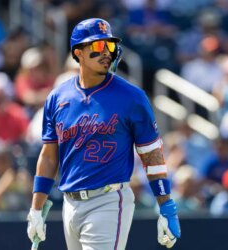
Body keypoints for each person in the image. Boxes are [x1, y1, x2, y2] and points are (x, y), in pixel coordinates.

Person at [26, 18, 180, 250]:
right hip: (70, 203)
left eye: (109, 46)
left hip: (108, 200)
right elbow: (49, 156)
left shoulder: (132, 97)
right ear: (78, 52)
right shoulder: (57, 97)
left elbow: (152, 155)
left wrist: (166, 205)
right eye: (97, 46)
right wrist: (36, 208)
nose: (106, 52)